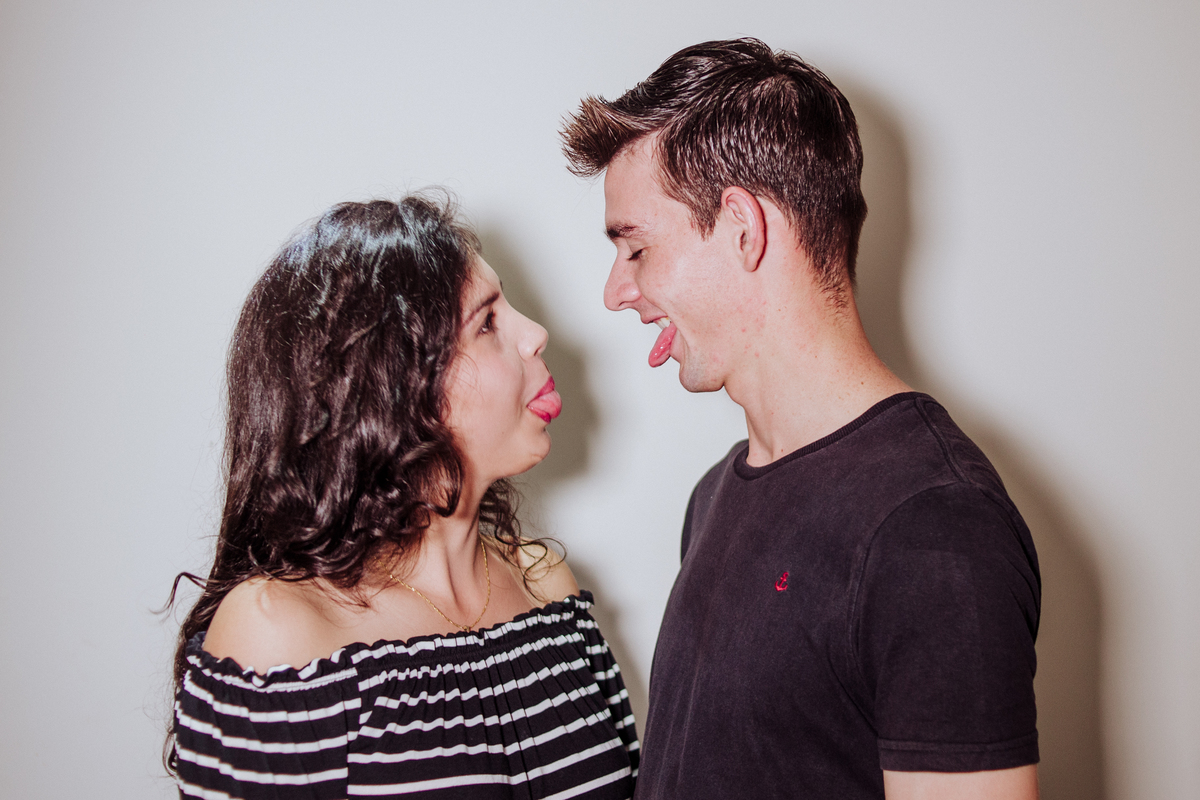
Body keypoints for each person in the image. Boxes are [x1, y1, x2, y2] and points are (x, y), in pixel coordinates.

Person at [561, 39, 1039, 800]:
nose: (617, 291)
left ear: (743, 228)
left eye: (637, 248)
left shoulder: (934, 526)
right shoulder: (716, 493)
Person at [167, 196, 639, 799]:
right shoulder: (279, 634)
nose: (535, 335)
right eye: (487, 323)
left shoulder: (548, 587)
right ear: (391, 386)